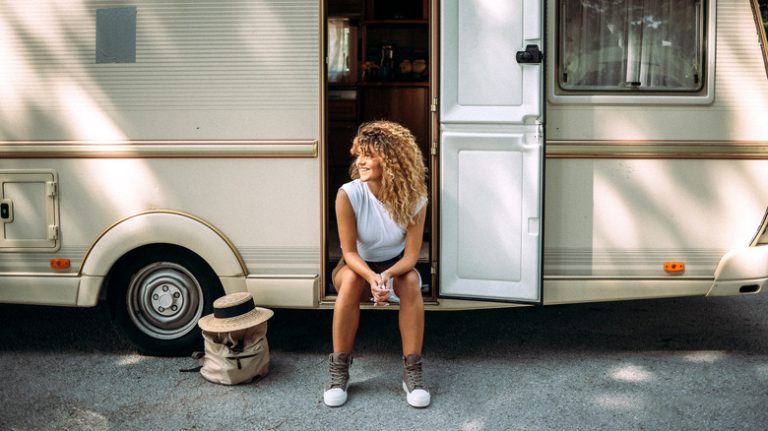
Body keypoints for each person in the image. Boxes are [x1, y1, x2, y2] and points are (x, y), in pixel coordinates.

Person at [324, 120, 430, 408]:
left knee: (409, 281)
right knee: (352, 279)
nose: (360, 161)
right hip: (358, 268)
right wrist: (372, 276)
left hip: (395, 268)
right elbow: (349, 252)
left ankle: (412, 372)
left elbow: (410, 257)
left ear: (391, 159)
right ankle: (339, 370)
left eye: (368, 155)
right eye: (359, 154)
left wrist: (386, 275)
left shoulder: (416, 198)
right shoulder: (349, 194)